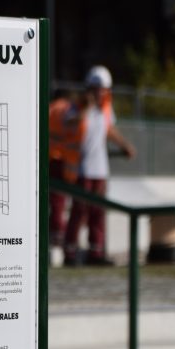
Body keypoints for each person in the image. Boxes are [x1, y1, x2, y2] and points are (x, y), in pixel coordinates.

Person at [64, 66, 135, 265]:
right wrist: (86, 108)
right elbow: (70, 124)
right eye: (98, 89)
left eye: (104, 89)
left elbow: (109, 129)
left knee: (98, 212)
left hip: (100, 170)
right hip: (82, 169)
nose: (102, 93)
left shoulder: (105, 109)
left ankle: (96, 252)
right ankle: (70, 252)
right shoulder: (77, 108)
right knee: (79, 211)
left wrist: (124, 145)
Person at [48, 92, 83, 253]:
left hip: (50, 155)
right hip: (59, 157)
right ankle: (57, 236)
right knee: (58, 200)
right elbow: (70, 124)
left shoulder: (53, 107)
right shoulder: (67, 109)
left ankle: (54, 234)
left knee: (55, 200)